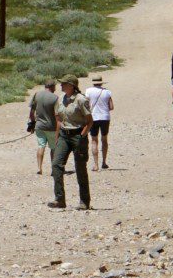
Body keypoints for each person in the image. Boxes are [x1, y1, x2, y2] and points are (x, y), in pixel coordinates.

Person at [47, 77, 93, 209]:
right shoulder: (61, 99)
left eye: (64, 83)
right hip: (63, 135)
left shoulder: (81, 100)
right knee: (56, 165)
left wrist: (82, 135)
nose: (61, 85)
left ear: (72, 85)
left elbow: (89, 121)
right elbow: (58, 119)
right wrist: (56, 139)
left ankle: (84, 202)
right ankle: (59, 199)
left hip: (77, 135)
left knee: (80, 168)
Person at [28, 80, 60, 176]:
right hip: (51, 127)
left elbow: (31, 113)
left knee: (41, 146)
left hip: (39, 126)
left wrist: (32, 124)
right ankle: (53, 169)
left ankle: (39, 168)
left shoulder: (36, 95)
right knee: (53, 148)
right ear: (52, 87)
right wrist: (59, 128)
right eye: (55, 87)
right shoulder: (55, 98)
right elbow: (57, 115)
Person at [82, 75, 114, 171]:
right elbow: (111, 107)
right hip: (105, 117)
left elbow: (86, 104)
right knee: (104, 139)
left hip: (93, 117)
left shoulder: (88, 91)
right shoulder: (107, 92)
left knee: (94, 140)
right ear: (101, 82)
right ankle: (104, 162)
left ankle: (96, 164)